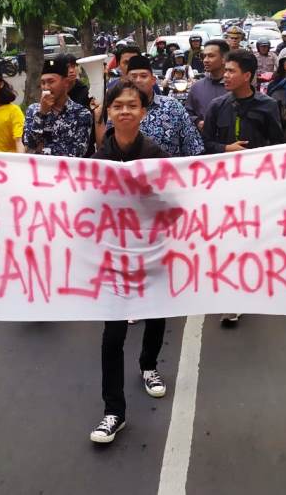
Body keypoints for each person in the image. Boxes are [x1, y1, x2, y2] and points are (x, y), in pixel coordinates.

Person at [89, 80, 171, 444]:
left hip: (152, 252)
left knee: (156, 313)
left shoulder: (157, 155)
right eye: (118, 105)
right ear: (108, 112)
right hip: (113, 258)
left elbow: (173, 203)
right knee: (113, 335)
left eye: (132, 105)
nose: (125, 111)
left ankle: (149, 366)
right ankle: (113, 411)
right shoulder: (96, 162)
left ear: (143, 112)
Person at [202, 48, 284, 326]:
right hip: (222, 189)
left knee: (250, 243)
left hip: (256, 189)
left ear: (247, 76)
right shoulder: (216, 107)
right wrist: (226, 148)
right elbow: (204, 146)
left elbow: (277, 146)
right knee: (226, 244)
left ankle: (248, 288)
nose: (224, 76)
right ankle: (230, 297)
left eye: (230, 71)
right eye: (224, 71)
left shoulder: (268, 106)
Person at [117, 54, 203, 157]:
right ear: (126, 80)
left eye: (143, 76)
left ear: (153, 80)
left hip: (169, 171)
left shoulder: (173, 107)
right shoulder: (118, 110)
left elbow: (193, 148)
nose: (138, 80)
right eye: (134, 76)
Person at [24, 56, 94, 157]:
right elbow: (29, 148)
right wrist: (42, 114)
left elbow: (76, 153)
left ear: (65, 82)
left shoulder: (81, 113)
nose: (46, 87)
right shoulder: (33, 110)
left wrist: (42, 149)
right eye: (43, 83)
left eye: (51, 82)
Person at [184, 39, 230, 131]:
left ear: (224, 59)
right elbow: (187, 112)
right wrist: (197, 122)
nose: (205, 60)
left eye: (211, 56)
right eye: (204, 56)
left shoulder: (235, 86)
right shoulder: (197, 87)